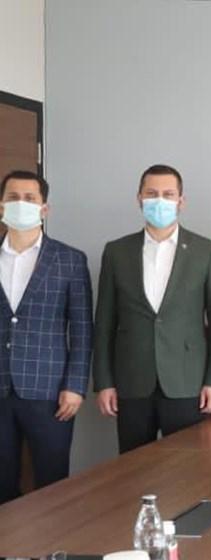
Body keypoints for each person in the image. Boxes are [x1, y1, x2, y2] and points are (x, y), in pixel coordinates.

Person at [92, 164, 211, 453]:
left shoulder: (205, 251)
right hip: (132, 380)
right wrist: (104, 382)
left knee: (187, 467)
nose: (160, 201)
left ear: (181, 201)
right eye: (152, 194)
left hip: (187, 381)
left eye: (168, 194)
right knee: (133, 468)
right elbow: (103, 323)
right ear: (139, 198)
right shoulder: (117, 251)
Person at [0, 170, 93, 504]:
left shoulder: (69, 260)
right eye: (13, 198)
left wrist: (75, 386)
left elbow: (82, 330)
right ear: (1, 206)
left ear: (44, 208)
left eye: (30, 198)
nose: (21, 204)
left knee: (53, 486)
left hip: (51, 393)